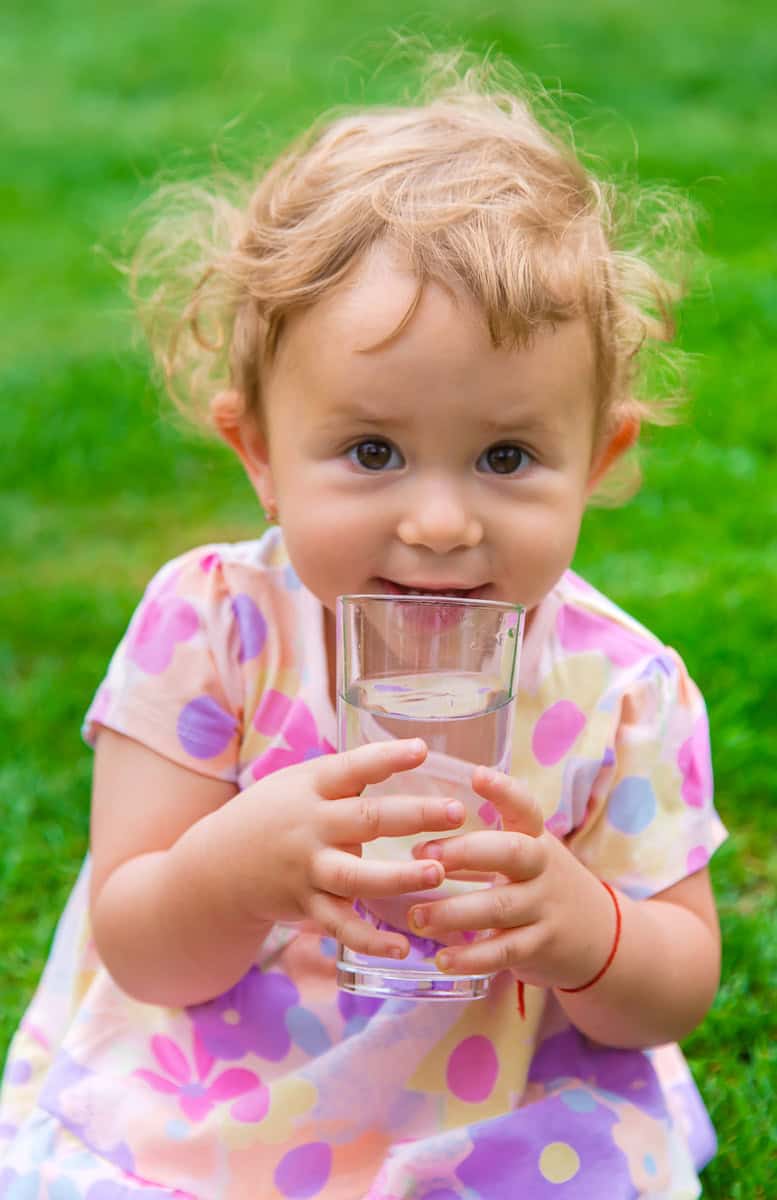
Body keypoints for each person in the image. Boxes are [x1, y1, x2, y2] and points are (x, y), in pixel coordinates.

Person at [0, 52, 727, 1199]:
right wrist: (235, 873)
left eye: (506, 457)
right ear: (259, 455)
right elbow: (142, 946)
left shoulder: (622, 688)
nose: (439, 523)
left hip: (495, 1097)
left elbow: (677, 986)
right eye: (372, 453)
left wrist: (585, 928)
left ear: (599, 461)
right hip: (225, 1086)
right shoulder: (214, 628)